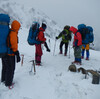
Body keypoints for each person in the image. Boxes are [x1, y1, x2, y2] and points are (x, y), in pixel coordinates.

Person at [1, 20, 21, 89]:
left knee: (5, 67)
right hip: (10, 54)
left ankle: (3, 80)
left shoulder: (8, 31)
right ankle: (8, 83)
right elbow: (13, 44)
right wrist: (17, 53)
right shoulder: (13, 33)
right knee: (11, 69)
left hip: (4, 53)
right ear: (16, 27)